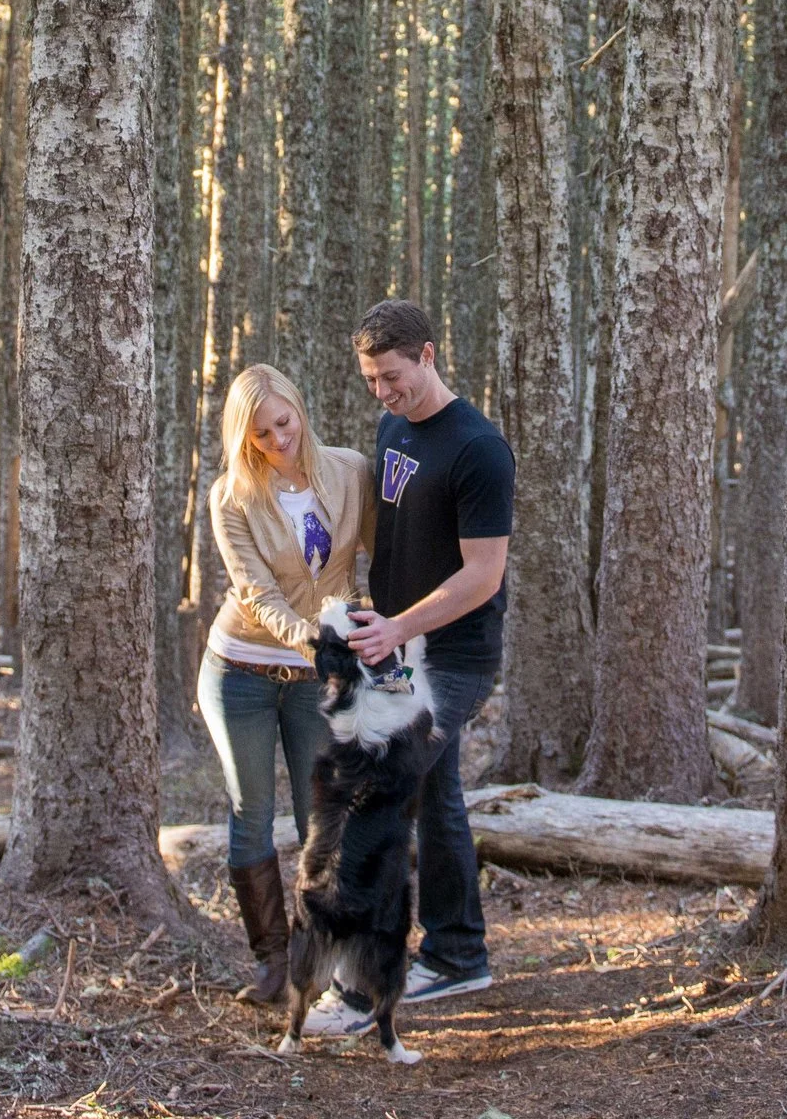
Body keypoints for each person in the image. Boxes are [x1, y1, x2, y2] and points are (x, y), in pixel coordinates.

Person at [300, 298, 512, 1038]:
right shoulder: (394, 427)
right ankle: (458, 953)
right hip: (392, 643)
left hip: (451, 654)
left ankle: (361, 987)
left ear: (427, 355)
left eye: (393, 377)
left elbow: (483, 575)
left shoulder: (478, 447)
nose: (384, 394)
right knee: (439, 796)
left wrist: (401, 626)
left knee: (378, 787)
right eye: (370, 381)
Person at [198, 363, 374, 1003]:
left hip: (313, 679)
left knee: (319, 819)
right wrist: (311, 636)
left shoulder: (351, 470)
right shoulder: (231, 496)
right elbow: (256, 592)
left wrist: (385, 623)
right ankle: (271, 961)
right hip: (239, 668)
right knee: (251, 813)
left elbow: (378, 555)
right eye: (260, 432)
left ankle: (318, 956)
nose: (277, 439)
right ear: (242, 436)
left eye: (283, 422)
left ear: (299, 410)